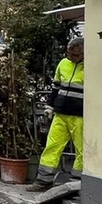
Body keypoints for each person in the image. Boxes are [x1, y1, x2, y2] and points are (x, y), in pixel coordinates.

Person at [29, 37, 84, 191]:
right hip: (61, 114)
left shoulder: (90, 67)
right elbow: (56, 87)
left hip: (80, 116)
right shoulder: (63, 64)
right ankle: (43, 181)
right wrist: (49, 106)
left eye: (74, 55)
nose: (70, 57)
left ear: (84, 53)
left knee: (82, 151)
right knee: (52, 146)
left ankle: (76, 185)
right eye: (69, 53)